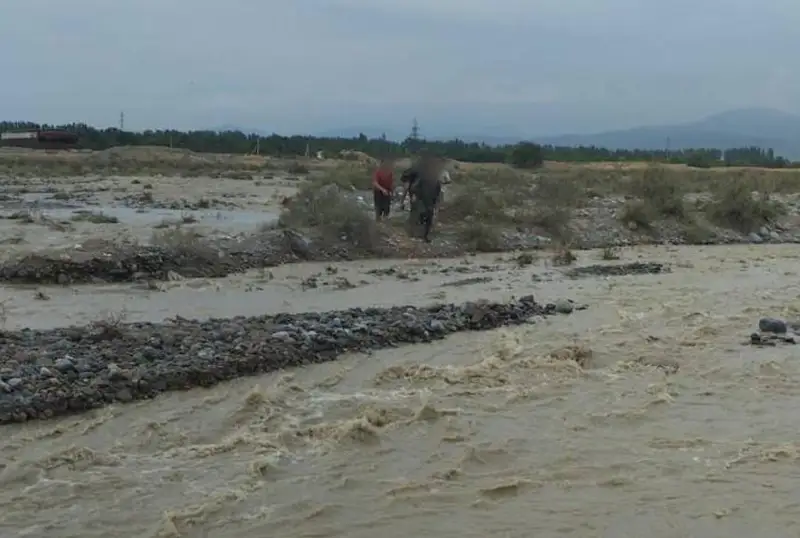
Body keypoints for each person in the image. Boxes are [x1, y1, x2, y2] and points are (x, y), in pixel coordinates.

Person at [408, 155, 443, 243]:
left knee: (429, 219)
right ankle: (416, 233)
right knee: (421, 216)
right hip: (421, 201)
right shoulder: (422, 178)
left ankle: (425, 236)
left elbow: (438, 193)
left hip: (430, 202)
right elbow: (413, 187)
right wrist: (414, 196)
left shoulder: (436, 181)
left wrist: (437, 204)